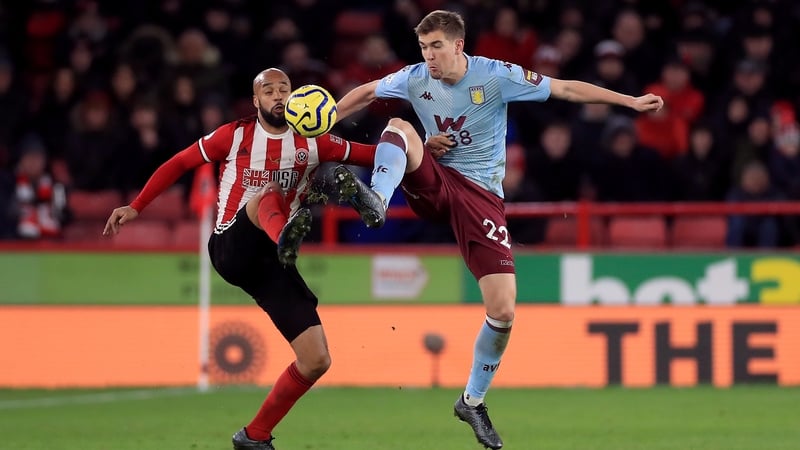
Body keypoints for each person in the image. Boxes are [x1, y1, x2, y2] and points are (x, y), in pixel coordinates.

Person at [331, 10, 663, 449]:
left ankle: (472, 400)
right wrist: (326, 117)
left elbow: (563, 89)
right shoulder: (414, 78)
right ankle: (377, 199)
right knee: (398, 126)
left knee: (503, 310)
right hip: (434, 179)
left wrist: (630, 101)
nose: (429, 57)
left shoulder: (495, 76)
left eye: (436, 47)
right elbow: (370, 91)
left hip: (480, 196)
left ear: (458, 45)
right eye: (424, 47)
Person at [103, 68, 378, 450]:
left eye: (285, 90)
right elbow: (180, 163)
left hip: (272, 264)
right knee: (265, 192)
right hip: (231, 245)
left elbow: (375, 154)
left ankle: (254, 436)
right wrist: (137, 206)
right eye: (270, 91)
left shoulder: (315, 140)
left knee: (316, 359)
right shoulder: (234, 135)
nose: (278, 96)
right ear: (256, 100)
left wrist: (420, 153)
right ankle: (294, 225)